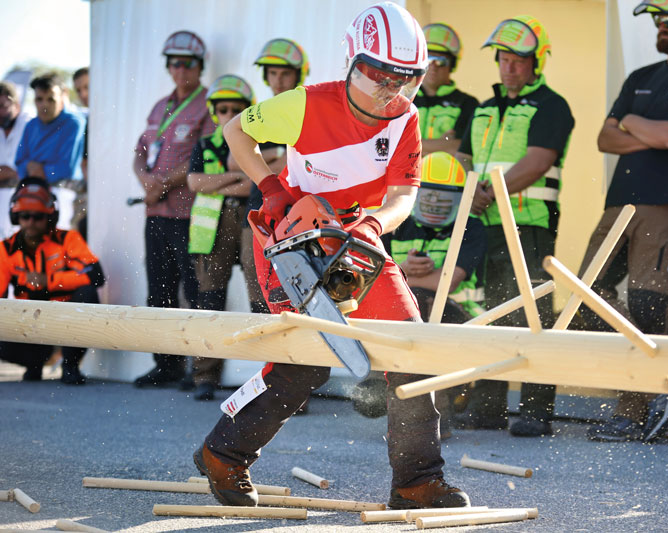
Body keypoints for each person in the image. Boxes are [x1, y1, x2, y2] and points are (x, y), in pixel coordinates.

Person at [194, 2, 470, 510]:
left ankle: (417, 480)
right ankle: (224, 453)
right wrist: (272, 187)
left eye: (404, 78)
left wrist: (372, 223)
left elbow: (403, 195)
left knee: (411, 346)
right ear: (351, 61)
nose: (389, 90)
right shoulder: (306, 103)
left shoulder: (406, 118)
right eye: (375, 75)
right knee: (307, 359)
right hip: (291, 234)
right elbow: (237, 131)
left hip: (355, 236)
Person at [582, 0, 668, 442]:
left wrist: (633, 126)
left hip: (666, 205)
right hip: (619, 201)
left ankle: (635, 410)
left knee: (647, 303)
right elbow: (605, 138)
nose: (662, 27)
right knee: (584, 293)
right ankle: (644, 379)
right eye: (657, 20)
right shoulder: (640, 76)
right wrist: (652, 134)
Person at [453, 16, 574, 437]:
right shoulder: (484, 109)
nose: (509, 67)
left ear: (536, 61)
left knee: (532, 317)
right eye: (503, 59)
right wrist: (475, 189)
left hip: (529, 225)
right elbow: (465, 158)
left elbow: (539, 161)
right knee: (489, 313)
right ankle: (488, 408)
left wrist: (489, 191)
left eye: (518, 60)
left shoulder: (551, 105)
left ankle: (536, 412)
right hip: (486, 224)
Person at [379, 151, 487, 435]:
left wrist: (401, 274)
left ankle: (436, 412)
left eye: (445, 197)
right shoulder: (394, 225)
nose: (435, 203)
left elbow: (448, 283)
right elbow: (374, 277)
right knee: (412, 307)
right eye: (429, 194)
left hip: (462, 320)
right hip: (406, 318)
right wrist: (404, 267)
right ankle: (382, 388)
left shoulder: (471, 227)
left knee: (421, 303)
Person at [132, 30, 214, 387]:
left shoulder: (208, 104)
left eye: (189, 64)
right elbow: (139, 150)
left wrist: (163, 184)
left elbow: (206, 156)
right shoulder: (159, 105)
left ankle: (198, 369)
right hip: (155, 214)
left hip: (189, 213)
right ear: (168, 66)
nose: (182, 70)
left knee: (194, 291)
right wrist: (144, 180)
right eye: (175, 63)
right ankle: (166, 365)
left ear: (200, 66)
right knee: (159, 290)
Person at [186, 75, 255, 401]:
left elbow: (252, 186)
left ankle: (273, 378)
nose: (229, 114)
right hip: (212, 227)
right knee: (209, 299)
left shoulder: (261, 140)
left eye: (237, 109)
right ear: (214, 112)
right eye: (223, 108)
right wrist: (234, 177)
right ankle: (204, 375)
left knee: (263, 299)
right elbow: (195, 183)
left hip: (251, 220)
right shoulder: (205, 144)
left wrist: (221, 182)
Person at [0, 178, 104, 384]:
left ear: (49, 217)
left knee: (87, 294)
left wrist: (50, 281)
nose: (30, 222)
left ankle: (70, 365)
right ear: (15, 217)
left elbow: (96, 275)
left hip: (65, 320)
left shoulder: (68, 239)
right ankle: (33, 363)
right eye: (25, 216)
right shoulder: (6, 249)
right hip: (29, 323)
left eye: (37, 217)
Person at [236, 37, 312, 317]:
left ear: (299, 74)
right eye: (272, 73)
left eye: (285, 73)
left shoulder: (308, 110)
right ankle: (268, 357)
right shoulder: (260, 115)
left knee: (301, 286)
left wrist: (265, 158)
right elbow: (235, 156)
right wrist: (277, 158)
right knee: (257, 284)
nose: (278, 80)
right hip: (260, 210)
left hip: (301, 213)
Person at [416, 23, 479, 156]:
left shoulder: (467, 103)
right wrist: (440, 144)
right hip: (408, 177)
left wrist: (408, 144)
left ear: (453, 65)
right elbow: (389, 145)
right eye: (428, 59)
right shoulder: (404, 101)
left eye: (440, 61)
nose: (433, 66)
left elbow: (458, 148)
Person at [15, 73, 85, 185]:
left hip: (65, 192)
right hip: (34, 191)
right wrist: (29, 166)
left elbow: (67, 169)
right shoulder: (30, 125)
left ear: (62, 98)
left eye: (51, 99)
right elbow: (19, 163)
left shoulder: (74, 123)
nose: (44, 105)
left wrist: (37, 169)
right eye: (39, 99)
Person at [0, 81, 31, 187]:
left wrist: (13, 173)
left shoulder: (30, 126)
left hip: (26, 197)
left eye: (2, 106)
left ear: (17, 106)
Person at [71, 67, 89, 239]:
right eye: (78, 90)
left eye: (87, 87)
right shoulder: (83, 120)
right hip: (87, 190)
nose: (83, 94)